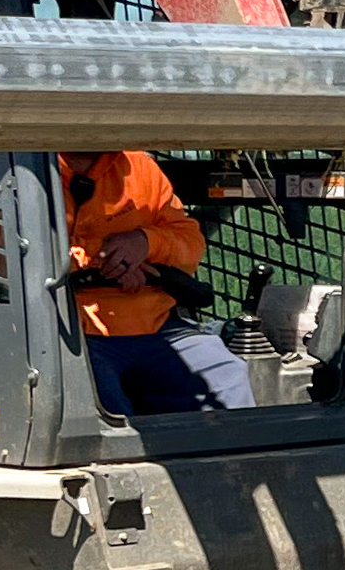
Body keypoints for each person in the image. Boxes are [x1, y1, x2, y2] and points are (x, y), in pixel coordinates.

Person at [62, 148, 250, 416]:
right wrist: (106, 259)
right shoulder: (23, 170)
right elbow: (4, 249)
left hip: (155, 324)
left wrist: (145, 243)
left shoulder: (140, 167)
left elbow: (189, 244)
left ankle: (232, 456)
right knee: (100, 401)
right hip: (72, 329)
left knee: (226, 373)